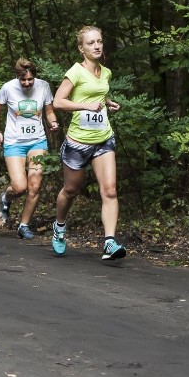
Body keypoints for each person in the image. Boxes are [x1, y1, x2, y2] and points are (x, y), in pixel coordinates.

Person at [50, 25, 126, 260]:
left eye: (99, 42)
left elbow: (99, 94)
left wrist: (108, 102)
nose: (96, 46)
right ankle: (59, 226)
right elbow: (58, 102)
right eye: (91, 43)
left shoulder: (106, 72)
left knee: (110, 190)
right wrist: (85, 106)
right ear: (81, 48)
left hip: (103, 138)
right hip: (78, 142)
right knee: (71, 190)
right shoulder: (75, 72)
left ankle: (109, 242)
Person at [0, 58, 59, 239]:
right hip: (14, 142)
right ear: (17, 77)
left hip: (37, 141)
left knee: (34, 186)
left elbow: (50, 111)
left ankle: (24, 225)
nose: (27, 83)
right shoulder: (8, 88)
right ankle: (5, 198)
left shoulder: (43, 87)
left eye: (30, 79)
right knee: (20, 187)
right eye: (23, 80)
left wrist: (53, 122)